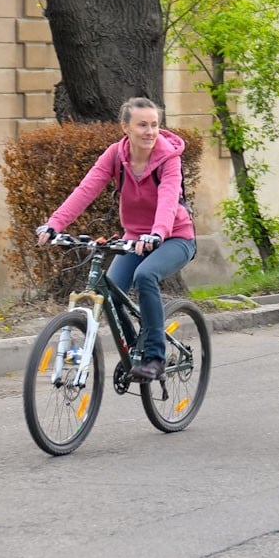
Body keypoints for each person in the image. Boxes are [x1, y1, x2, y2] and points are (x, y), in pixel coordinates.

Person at [36, 97, 196, 381]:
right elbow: (85, 190)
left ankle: (154, 357)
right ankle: (135, 348)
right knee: (108, 291)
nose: (150, 131)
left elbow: (169, 199)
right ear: (125, 127)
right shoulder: (115, 155)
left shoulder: (169, 158)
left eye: (155, 125)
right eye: (142, 125)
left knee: (146, 274)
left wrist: (158, 232)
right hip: (135, 238)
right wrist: (53, 225)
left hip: (175, 237)